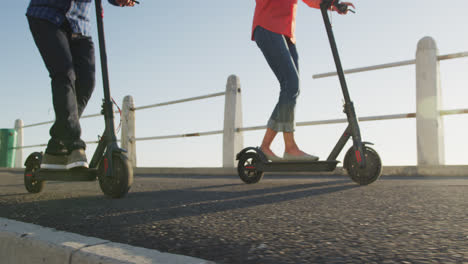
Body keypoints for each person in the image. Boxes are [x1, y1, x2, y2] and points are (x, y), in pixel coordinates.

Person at [26, 0, 136, 169]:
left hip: (79, 25)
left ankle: (57, 145)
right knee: (64, 74)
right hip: (47, 15)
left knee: (87, 82)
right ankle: (74, 144)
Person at [252, 0, 354, 161]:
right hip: (268, 26)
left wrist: (332, 4)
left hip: (285, 33)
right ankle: (287, 147)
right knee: (291, 85)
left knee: (292, 88)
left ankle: (273, 146)